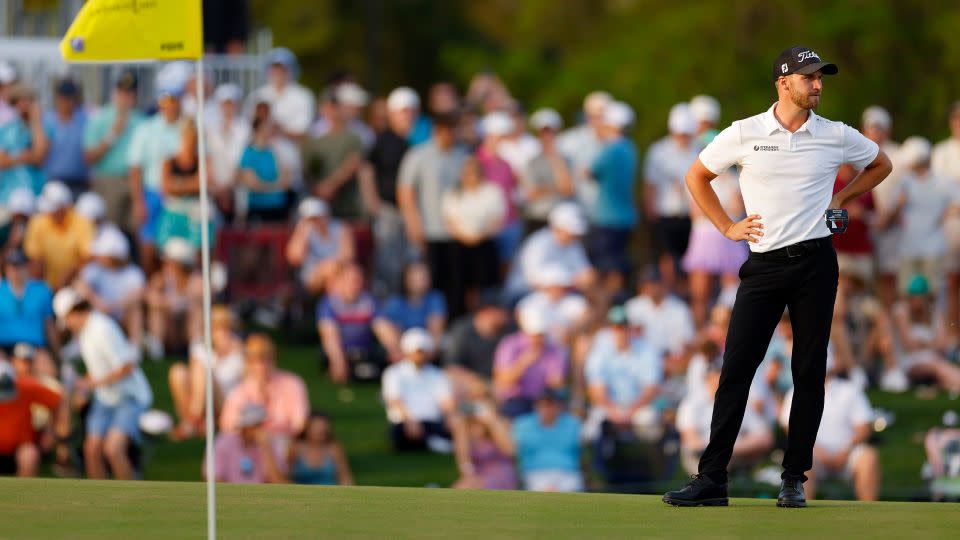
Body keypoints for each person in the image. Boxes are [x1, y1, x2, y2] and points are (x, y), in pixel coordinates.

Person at [663, 46, 892, 508]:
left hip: (815, 264)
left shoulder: (835, 134)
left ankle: (794, 480)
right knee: (736, 370)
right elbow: (696, 177)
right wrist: (728, 226)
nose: (818, 85)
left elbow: (881, 164)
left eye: (821, 78)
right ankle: (712, 479)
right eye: (810, 78)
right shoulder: (745, 132)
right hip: (764, 265)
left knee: (808, 372)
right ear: (784, 82)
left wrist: (841, 198)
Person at [53, 287, 153, 480]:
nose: (67, 325)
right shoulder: (85, 332)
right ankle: (98, 506)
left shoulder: (103, 328)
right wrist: (85, 383)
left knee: (113, 449)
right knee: (92, 450)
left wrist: (93, 385)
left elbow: (127, 367)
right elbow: (101, 368)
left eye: (67, 319)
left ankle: (131, 502)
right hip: (106, 398)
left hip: (129, 397)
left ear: (73, 313)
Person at [397, 111, 469, 312]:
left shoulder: (462, 155)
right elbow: (406, 191)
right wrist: (413, 223)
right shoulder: (419, 155)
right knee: (429, 281)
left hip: (457, 232)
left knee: (456, 282)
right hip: (429, 229)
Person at [779, 366, 881, 501]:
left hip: (848, 454)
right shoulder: (795, 391)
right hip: (813, 454)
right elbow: (789, 429)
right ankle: (800, 515)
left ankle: (869, 514)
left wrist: (845, 451)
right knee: (800, 460)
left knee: (868, 457)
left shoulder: (851, 390)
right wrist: (818, 452)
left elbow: (864, 428)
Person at [127, 65, 187, 273]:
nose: (169, 105)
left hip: (179, 196)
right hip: (152, 194)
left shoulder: (188, 129)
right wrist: (139, 202)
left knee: (175, 250)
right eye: (165, 100)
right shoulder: (146, 129)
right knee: (148, 246)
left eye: (173, 99)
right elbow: (135, 169)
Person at [676, 358, 773, 478]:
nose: (718, 381)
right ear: (707, 380)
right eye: (715, 377)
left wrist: (728, 450)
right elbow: (691, 441)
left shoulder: (740, 402)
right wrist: (720, 452)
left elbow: (765, 438)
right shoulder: (691, 404)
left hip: (736, 458)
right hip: (701, 458)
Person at [885, 136, 955, 295]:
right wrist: (899, 205)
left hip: (933, 248)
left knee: (932, 294)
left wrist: (946, 213)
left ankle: (931, 321)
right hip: (908, 248)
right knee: (908, 294)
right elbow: (892, 214)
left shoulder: (941, 180)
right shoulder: (904, 182)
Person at [681, 162, 748, 328]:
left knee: (732, 290)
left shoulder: (733, 179)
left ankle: (730, 329)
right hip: (706, 238)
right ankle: (700, 330)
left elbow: (737, 209)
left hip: (726, 239)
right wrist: (724, 212)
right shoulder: (695, 174)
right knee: (700, 294)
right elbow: (695, 212)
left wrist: (710, 209)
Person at [583, 306, 663, 442]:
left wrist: (630, 412)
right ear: (610, 330)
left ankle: (648, 461)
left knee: (650, 423)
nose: (620, 332)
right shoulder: (599, 351)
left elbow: (651, 389)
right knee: (590, 432)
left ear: (629, 328)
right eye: (616, 328)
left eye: (623, 327)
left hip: (638, 407)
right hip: (609, 407)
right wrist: (615, 412)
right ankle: (601, 460)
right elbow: (596, 391)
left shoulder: (646, 349)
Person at [364, 87, 415, 295]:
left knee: (405, 262)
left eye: (410, 112)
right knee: (388, 265)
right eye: (403, 112)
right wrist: (373, 202)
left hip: (405, 212)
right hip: (389, 210)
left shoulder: (408, 142)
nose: (408, 117)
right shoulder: (384, 140)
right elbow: (366, 168)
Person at [643, 103, 699, 290]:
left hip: (692, 215)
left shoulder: (698, 150)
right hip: (665, 213)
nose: (683, 137)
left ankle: (685, 293)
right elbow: (650, 184)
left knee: (690, 259)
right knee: (666, 257)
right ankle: (669, 290)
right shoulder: (659, 151)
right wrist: (650, 211)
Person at [168, 305, 245, 440]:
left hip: (226, 402)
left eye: (224, 327)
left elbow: (245, 383)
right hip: (202, 400)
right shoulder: (200, 347)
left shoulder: (240, 349)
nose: (221, 332)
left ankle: (193, 422)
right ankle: (195, 421)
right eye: (216, 327)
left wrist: (227, 352)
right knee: (178, 371)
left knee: (206, 371)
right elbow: (195, 380)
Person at [441, 156, 505, 315]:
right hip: (460, 246)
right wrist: (466, 238)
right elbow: (450, 220)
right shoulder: (454, 193)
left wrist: (478, 236)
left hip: (485, 246)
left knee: (485, 287)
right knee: (460, 285)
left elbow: (497, 219)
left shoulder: (492, 192)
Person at [83, 70, 144, 235]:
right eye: (122, 92)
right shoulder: (99, 118)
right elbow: (89, 157)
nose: (125, 97)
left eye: (129, 93)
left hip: (136, 181)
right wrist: (113, 134)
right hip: (109, 180)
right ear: (114, 93)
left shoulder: (143, 120)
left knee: (136, 232)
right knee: (109, 230)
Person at [317, 262, 398, 383]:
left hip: (365, 353)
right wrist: (337, 361)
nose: (356, 284)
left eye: (359, 280)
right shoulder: (329, 303)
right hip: (341, 354)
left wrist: (395, 350)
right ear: (341, 280)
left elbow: (383, 328)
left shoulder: (369, 301)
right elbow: (329, 336)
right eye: (352, 280)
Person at [219, 334, 309, 440]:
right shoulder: (239, 391)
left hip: (284, 442)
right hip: (249, 445)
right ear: (247, 362)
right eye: (255, 361)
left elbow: (299, 423)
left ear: (274, 359)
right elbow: (227, 426)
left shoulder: (292, 384)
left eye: (266, 359)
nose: (261, 366)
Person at [382, 328, 456, 453]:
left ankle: (431, 441)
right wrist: (410, 421)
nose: (420, 355)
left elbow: (446, 401)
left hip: (433, 421)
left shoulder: (437, 374)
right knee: (400, 435)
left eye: (423, 351)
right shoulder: (394, 373)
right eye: (418, 352)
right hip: (406, 422)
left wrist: (450, 417)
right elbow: (394, 400)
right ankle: (433, 442)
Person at [587, 101, 638, 275]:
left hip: (606, 218)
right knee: (618, 264)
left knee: (606, 268)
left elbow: (590, 172)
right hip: (625, 217)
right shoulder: (630, 148)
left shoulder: (611, 149)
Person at [505, 202, 596, 300]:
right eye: (571, 232)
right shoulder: (538, 244)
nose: (575, 236)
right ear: (557, 227)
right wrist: (573, 281)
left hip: (559, 295)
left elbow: (587, 274)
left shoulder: (574, 245)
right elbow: (535, 281)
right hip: (524, 293)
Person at [861, 106, 904, 308]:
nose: (875, 133)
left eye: (879, 128)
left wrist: (887, 217)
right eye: (871, 128)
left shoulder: (898, 154)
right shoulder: (858, 152)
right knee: (867, 278)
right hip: (865, 223)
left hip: (891, 226)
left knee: (889, 276)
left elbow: (904, 193)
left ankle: (888, 325)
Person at [74, 226, 145, 347]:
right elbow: (79, 284)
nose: (99, 257)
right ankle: (79, 343)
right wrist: (97, 301)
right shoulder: (95, 269)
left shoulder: (132, 272)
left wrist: (114, 306)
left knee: (135, 310)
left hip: (122, 316)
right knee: (79, 301)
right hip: (99, 314)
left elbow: (139, 293)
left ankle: (134, 347)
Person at [493, 302, 567, 418]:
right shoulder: (510, 345)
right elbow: (502, 381)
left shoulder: (553, 348)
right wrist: (523, 362)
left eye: (541, 334)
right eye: (534, 334)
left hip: (543, 401)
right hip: (516, 400)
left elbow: (557, 383)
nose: (538, 338)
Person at [302, 90, 366, 221]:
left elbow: (353, 164)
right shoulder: (315, 141)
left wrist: (330, 186)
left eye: (335, 107)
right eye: (327, 107)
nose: (331, 111)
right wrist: (318, 189)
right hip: (321, 207)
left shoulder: (353, 138)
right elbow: (307, 170)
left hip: (348, 207)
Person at [891, 275, 960, 392]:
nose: (915, 301)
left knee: (942, 370)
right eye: (912, 297)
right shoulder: (901, 311)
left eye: (918, 297)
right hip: (910, 364)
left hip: (935, 361)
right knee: (938, 367)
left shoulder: (934, 313)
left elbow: (943, 345)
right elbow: (909, 345)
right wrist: (931, 344)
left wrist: (922, 344)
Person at [23, 181, 95, 288]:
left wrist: (70, 273)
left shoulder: (82, 222)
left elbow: (88, 257)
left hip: (75, 282)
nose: (50, 213)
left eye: (54, 209)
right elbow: (34, 257)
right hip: (45, 282)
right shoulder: (37, 222)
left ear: (64, 207)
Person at [156, 118, 214, 251]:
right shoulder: (169, 162)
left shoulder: (202, 161)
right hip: (174, 215)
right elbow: (166, 187)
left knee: (199, 250)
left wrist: (178, 184)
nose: (190, 141)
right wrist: (192, 183)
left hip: (195, 216)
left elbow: (205, 183)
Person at [511, 388, 583, 492]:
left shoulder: (573, 424)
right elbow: (513, 449)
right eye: (543, 405)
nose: (547, 409)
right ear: (536, 406)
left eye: (551, 405)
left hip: (568, 473)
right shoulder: (523, 424)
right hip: (535, 472)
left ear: (559, 406)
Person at [443, 291, 511, 398]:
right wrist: (483, 384)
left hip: (500, 386)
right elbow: (452, 367)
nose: (504, 315)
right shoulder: (462, 330)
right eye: (499, 311)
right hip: (471, 385)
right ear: (486, 312)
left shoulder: (508, 330)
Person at [0, 360, 63, 477]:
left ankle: (22, 495)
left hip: (21, 449)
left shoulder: (25, 387)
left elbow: (57, 401)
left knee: (29, 455)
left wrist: (51, 431)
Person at [144, 237, 203, 359]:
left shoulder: (196, 280)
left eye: (168, 262)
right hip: (169, 329)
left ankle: (195, 348)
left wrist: (175, 304)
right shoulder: (162, 278)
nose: (164, 265)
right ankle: (157, 349)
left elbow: (199, 299)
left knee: (196, 311)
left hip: (187, 329)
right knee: (156, 311)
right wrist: (167, 303)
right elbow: (149, 296)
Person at [557, 91, 612, 219]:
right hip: (577, 211)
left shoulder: (615, 143)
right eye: (597, 116)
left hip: (605, 214)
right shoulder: (570, 140)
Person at [475, 111, 521, 264]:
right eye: (500, 137)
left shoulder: (506, 163)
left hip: (509, 222)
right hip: (486, 224)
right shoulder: (476, 161)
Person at [521, 108, 574, 234]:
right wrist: (556, 188)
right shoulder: (532, 162)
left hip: (562, 221)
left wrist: (555, 160)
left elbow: (568, 189)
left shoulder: (566, 160)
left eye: (551, 132)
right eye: (543, 133)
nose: (547, 137)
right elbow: (532, 193)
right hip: (538, 218)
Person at [625, 267, 696, 362]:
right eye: (648, 284)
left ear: (663, 284)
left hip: (671, 361)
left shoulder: (679, 308)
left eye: (654, 283)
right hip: (640, 362)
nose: (651, 288)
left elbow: (687, 342)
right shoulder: (633, 307)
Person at [285, 198, 354, 295]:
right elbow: (295, 258)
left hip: (338, 272)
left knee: (348, 275)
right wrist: (302, 232)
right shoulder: (304, 231)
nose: (315, 221)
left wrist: (331, 267)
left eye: (317, 217)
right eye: (311, 218)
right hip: (312, 276)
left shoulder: (340, 228)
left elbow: (348, 256)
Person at [245, 48, 315, 144]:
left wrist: (278, 130)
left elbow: (303, 131)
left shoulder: (303, 96)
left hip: (291, 153)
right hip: (262, 152)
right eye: (274, 68)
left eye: (282, 69)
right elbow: (249, 127)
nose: (278, 73)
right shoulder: (257, 96)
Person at [206, 403, 287, 484]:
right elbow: (213, 477)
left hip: (259, 495)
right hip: (231, 494)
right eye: (256, 425)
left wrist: (266, 448)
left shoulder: (269, 443)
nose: (260, 429)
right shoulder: (224, 442)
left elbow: (276, 481)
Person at [0, 249, 56, 358]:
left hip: (34, 346)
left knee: (48, 371)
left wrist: (56, 354)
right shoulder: (1, 290)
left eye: (19, 266)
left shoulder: (42, 290)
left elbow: (49, 325)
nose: (15, 271)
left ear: (26, 267)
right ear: (6, 269)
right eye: (11, 267)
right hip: (4, 346)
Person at [451, 399, 517, 490]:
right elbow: (464, 460)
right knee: (458, 489)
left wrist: (492, 422)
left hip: (501, 473)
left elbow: (510, 451)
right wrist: (461, 429)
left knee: (465, 489)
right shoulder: (467, 430)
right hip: (478, 474)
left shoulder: (502, 423)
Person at [0, 84, 48, 205]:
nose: (25, 104)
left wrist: (36, 121)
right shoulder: (6, 129)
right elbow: (2, 161)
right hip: (9, 194)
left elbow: (39, 157)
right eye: (21, 100)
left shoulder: (44, 127)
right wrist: (23, 157)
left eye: (29, 100)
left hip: (36, 193)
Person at [206, 83, 250, 217]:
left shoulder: (245, 128)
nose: (228, 108)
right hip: (216, 187)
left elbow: (245, 159)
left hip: (239, 186)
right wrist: (216, 186)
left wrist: (230, 184)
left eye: (231, 104)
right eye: (225, 104)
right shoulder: (211, 129)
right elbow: (208, 157)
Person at [238, 115, 291, 222]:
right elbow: (254, 185)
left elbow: (286, 182)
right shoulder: (248, 153)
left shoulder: (274, 151)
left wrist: (267, 186)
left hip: (278, 207)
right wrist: (276, 186)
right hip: (259, 209)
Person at [42, 78, 88, 195]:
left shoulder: (85, 119)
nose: (66, 102)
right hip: (53, 180)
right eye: (63, 97)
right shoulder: (47, 120)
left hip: (79, 181)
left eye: (69, 97)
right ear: (57, 98)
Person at [382, 260, 447, 343]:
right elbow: (391, 331)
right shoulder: (395, 302)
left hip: (429, 347)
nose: (420, 281)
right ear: (406, 279)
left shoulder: (435, 298)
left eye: (423, 277)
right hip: (403, 348)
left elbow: (436, 332)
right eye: (415, 277)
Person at [288, 411, 354, 485]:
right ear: (307, 428)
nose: (320, 431)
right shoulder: (296, 448)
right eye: (316, 427)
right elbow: (287, 474)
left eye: (323, 427)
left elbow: (345, 476)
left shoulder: (333, 448)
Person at [0, 188, 34, 254]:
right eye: (17, 217)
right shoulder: (3, 231)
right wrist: (11, 244)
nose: (19, 221)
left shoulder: (36, 230)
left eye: (22, 217)